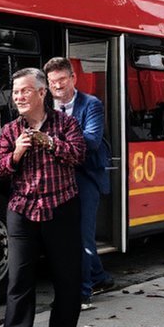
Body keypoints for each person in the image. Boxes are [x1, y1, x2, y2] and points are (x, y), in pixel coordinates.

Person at [0, 68, 86, 327]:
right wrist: (16, 153)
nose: (18, 97)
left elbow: (79, 155)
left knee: (67, 280)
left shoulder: (66, 124)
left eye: (25, 91)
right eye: (15, 92)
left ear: (42, 93)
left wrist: (49, 142)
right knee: (18, 282)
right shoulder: (9, 130)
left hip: (61, 208)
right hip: (22, 211)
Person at [44, 57, 115, 309]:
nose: (57, 86)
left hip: (85, 175)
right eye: (52, 82)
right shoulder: (45, 106)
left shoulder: (91, 104)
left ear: (73, 78)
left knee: (80, 236)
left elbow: (92, 141)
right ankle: (99, 277)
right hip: (56, 178)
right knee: (65, 235)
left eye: (62, 79)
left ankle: (82, 294)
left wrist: (52, 142)